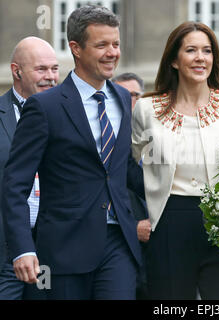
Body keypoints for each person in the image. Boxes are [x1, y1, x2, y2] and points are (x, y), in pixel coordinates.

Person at [1, 5, 144, 300]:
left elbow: (124, 168)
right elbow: (15, 183)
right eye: (101, 45)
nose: (112, 52)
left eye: (115, 44)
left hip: (118, 244)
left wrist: (183, 191)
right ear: (76, 49)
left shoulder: (120, 97)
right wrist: (23, 248)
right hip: (63, 251)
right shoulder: (45, 107)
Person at [131, 21, 219, 299]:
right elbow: (128, 166)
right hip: (168, 223)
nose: (201, 58)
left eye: (207, 51)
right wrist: (135, 218)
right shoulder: (146, 110)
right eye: (191, 50)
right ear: (174, 60)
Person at [0, 36, 59, 300]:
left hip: (52, 246)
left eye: (54, 69)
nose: (51, 77)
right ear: (16, 71)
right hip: (5, 251)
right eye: (41, 69)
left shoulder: (69, 115)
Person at [113, 72, 150, 300]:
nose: (129, 101)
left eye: (134, 95)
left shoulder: (161, 139)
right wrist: (131, 227)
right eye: (121, 95)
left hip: (161, 258)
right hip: (121, 254)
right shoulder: (106, 145)